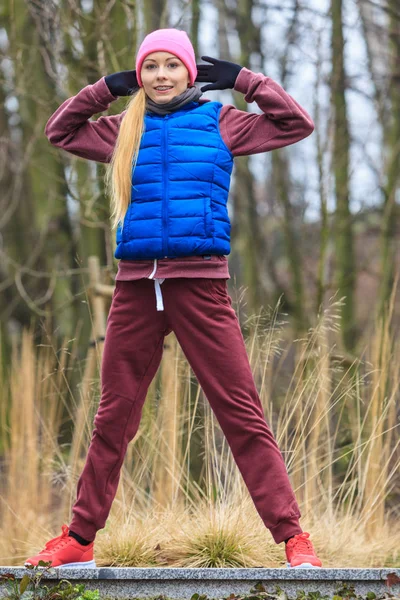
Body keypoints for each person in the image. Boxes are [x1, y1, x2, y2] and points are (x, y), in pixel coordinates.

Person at [24, 28, 322, 569]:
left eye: (172, 65)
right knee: (113, 416)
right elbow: (59, 131)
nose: (162, 75)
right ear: (140, 75)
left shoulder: (221, 121)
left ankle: (293, 538)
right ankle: (80, 538)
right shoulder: (123, 129)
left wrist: (247, 82)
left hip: (200, 284)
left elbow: (295, 124)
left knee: (240, 412)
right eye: (151, 67)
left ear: (190, 71)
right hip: (136, 286)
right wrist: (104, 90)